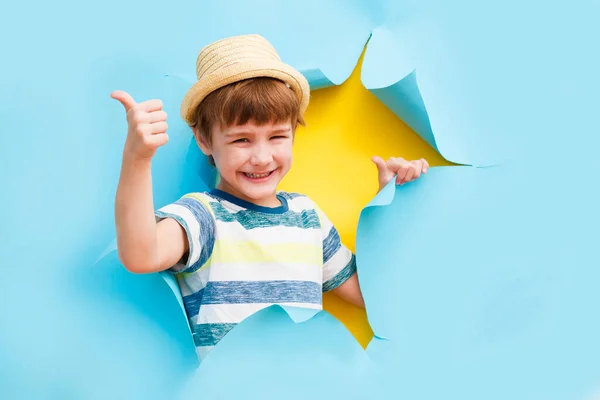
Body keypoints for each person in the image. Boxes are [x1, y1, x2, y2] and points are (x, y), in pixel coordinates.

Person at [111, 34, 429, 360]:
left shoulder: (307, 216)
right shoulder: (203, 215)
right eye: (242, 141)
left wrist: (391, 202)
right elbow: (141, 255)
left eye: (277, 136)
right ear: (204, 140)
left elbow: (371, 294)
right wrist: (137, 159)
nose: (262, 157)